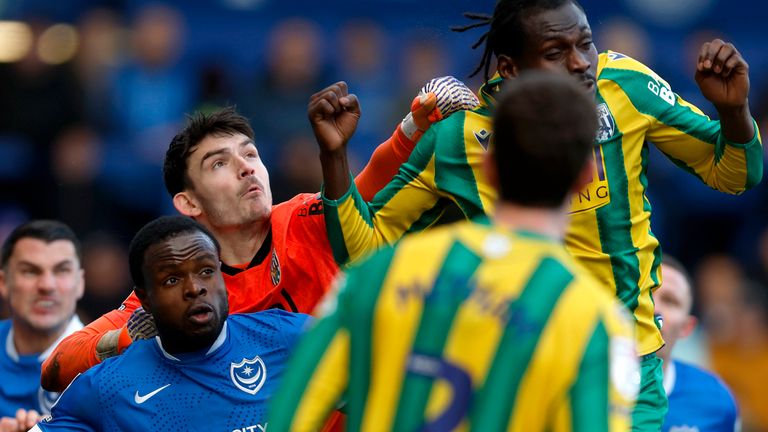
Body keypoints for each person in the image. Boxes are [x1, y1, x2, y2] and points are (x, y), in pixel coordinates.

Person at [313, 1, 762, 429]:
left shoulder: (626, 86)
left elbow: (736, 174)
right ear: (509, 68)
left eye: (584, 43)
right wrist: (335, 160)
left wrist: (732, 110)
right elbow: (365, 250)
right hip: (515, 369)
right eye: (555, 53)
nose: (581, 62)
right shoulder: (458, 139)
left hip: (626, 363)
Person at [40, 78, 478, 393]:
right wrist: (132, 336)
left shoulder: (303, 219)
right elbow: (56, 367)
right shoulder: (178, 288)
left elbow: (365, 189)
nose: (246, 166)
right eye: (219, 163)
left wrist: (412, 126)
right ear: (189, 203)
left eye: (250, 153)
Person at [269, 73, 638, 431]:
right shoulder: (595, 321)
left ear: (488, 167)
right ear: (587, 175)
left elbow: (294, 409)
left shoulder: (375, 277)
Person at [32, 216, 309, 431]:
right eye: (172, 280)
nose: (195, 288)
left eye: (206, 271)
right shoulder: (107, 387)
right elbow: (53, 372)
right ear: (145, 299)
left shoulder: (287, 337)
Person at [0, 220, 84, 432]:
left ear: (80, 283)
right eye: (30, 271)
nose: (47, 285)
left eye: (61, 270)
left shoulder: (109, 366)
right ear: (3, 283)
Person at [656, 256, 739, 432]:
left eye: (670, 300)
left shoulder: (715, 402)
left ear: (686, 328)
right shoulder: (589, 379)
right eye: (645, 292)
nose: (655, 309)